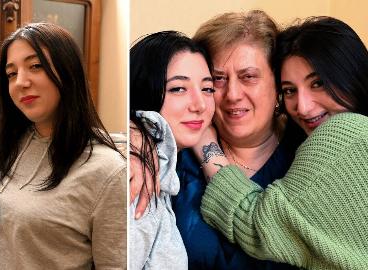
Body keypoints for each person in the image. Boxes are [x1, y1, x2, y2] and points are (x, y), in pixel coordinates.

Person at [0, 22, 127, 269]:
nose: (20, 82)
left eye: (35, 66)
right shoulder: (4, 138)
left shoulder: (108, 171)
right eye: (11, 73)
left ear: (67, 71)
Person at [197, 16, 368, 269]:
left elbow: (255, 225)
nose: (303, 107)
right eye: (290, 90)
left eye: (318, 83)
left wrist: (205, 143)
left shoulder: (348, 131)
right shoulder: (302, 143)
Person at [172, 10, 301, 269]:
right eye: (218, 79)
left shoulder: (307, 153)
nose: (232, 94)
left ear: (277, 84)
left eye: (248, 76)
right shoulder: (176, 153)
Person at [129, 31, 215, 269]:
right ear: (145, 88)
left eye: (207, 89)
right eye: (178, 89)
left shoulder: (166, 160)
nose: (199, 105)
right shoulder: (137, 175)